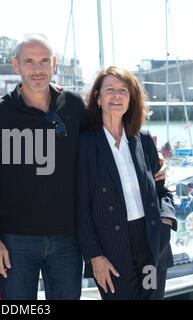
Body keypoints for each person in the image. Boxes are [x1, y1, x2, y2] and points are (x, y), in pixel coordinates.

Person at [0, 34, 88, 300]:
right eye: (29, 61)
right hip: (14, 240)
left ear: (54, 63)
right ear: (16, 65)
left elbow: (100, 150)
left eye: (44, 61)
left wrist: (154, 158)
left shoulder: (73, 106)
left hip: (68, 239)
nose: (37, 69)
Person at [76, 66, 177, 300]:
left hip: (152, 246)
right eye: (110, 89)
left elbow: (162, 189)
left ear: (131, 100)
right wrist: (94, 256)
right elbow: (80, 206)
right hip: (111, 249)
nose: (117, 95)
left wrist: (166, 220)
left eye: (123, 90)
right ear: (98, 98)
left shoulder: (143, 140)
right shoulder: (85, 145)